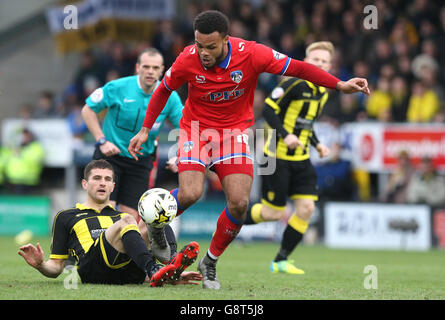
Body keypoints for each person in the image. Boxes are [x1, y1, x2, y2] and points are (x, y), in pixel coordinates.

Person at [128, 10, 370, 289]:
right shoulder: (187, 58)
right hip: (196, 130)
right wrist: (145, 129)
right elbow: (163, 90)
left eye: (210, 47)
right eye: (199, 45)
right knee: (191, 193)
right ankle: (153, 224)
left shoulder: (252, 54)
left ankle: (210, 262)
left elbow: (298, 68)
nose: (203, 52)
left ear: (226, 40)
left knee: (240, 203)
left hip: (234, 134)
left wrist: (339, 84)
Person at [18, 159, 202, 287]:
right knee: (129, 220)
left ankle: (171, 265)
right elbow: (56, 267)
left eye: (107, 180)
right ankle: (157, 267)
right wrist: (41, 265)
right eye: (97, 178)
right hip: (93, 270)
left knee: (153, 217)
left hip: (127, 273)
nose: (102, 183)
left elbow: (135, 254)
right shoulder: (67, 216)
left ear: (113, 186)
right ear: (84, 184)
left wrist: (171, 278)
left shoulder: (119, 217)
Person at [243, 41, 334, 275]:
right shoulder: (293, 83)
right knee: (271, 213)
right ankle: (231, 220)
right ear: (306, 61)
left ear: (330, 65)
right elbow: (268, 110)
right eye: (316, 60)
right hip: (276, 157)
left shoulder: (322, 92)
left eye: (324, 61)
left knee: (306, 209)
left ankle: (281, 260)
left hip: (302, 159)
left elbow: (306, 124)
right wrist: (286, 135)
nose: (320, 64)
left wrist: (317, 144)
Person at [81, 48, 183, 225]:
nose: (150, 71)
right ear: (137, 68)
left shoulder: (170, 97)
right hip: (110, 156)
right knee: (105, 212)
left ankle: (119, 253)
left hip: (140, 162)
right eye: (146, 66)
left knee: (129, 220)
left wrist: (181, 154)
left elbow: (185, 129)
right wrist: (101, 140)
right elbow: (88, 109)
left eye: (155, 67)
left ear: (162, 70)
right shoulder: (118, 87)